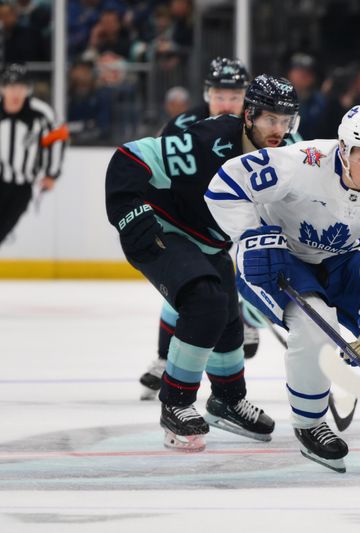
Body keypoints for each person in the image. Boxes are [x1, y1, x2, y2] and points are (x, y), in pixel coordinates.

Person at [205, 105, 360, 473]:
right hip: (281, 256)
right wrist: (249, 236)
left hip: (341, 259)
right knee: (314, 325)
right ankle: (310, 424)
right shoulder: (299, 162)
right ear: (343, 150)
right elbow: (225, 184)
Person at [103, 74, 302, 452]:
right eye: (269, 119)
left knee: (228, 315)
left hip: (209, 242)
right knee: (205, 302)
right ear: (249, 115)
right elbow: (128, 157)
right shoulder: (208, 142)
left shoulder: (286, 155)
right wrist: (130, 217)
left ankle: (226, 398)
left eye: (285, 121)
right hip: (161, 229)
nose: (278, 130)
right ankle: (176, 404)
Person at [136, 58, 279, 402]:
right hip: (196, 222)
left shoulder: (269, 126)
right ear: (207, 94)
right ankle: (164, 358)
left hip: (246, 219)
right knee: (188, 289)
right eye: (219, 94)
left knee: (251, 276)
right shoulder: (184, 125)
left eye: (235, 95)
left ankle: (246, 318)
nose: (227, 102)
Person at [0, 63, 68, 245]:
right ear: (2, 88)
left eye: (21, 87)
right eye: (11, 87)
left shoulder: (40, 112)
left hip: (22, 189)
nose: (16, 93)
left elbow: (59, 137)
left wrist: (51, 174)